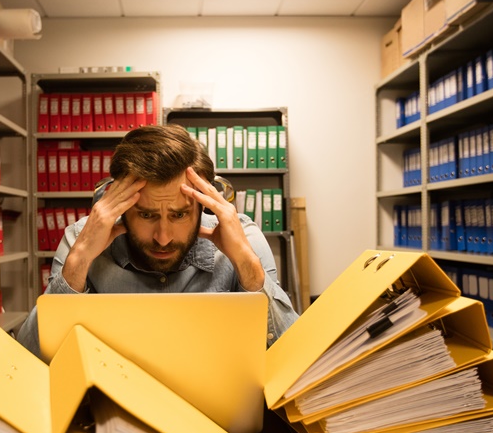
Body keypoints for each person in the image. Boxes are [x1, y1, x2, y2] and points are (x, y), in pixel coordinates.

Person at [16, 123, 298, 357]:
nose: (163, 238)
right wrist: (78, 262)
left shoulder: (242, 239)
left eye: (179, 215)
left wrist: (247, 265)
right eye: (147, 215)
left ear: (205, 206)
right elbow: (29, 362)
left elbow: (292, 357)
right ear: (119, 205)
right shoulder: (81, 240)